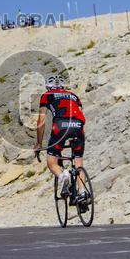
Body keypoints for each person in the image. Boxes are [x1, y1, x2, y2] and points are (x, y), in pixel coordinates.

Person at [34, 75, 88, 206]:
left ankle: (64, 177)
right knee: (78, 162)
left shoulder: (47, 96)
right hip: (78, 126)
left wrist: (39, 143)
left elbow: (41, 122)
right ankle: (82, 192)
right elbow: (80, 115)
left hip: (60, 126)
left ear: (48, 87)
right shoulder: (74, 96)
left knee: (52, 162)